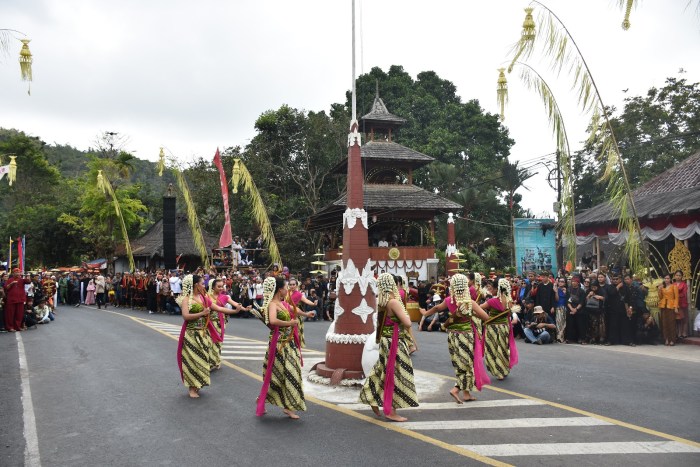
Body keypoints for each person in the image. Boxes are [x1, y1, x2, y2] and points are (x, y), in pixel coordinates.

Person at [421, 274, 490, 403]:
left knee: (460, 363)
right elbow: (486, 317)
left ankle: (467, 394)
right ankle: (456, 389)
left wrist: (425, 314)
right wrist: (472, 312)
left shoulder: (449, 300)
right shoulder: (470, 303)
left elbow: (436, 308)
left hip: (453, 335)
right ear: (465, 287)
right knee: (468, 364)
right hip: (466, 335)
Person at [359, 273, 419, 422]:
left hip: (385, 340)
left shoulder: (381, 301)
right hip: (394, 341)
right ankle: (391, 410)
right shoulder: (393, 302)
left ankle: (371, 396)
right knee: (396, 373)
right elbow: (408, 323)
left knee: (383, 369)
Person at [257, 276, 305, 419]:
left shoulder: (283, 303)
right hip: (279, 345)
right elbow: (273, 320)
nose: (287, 290)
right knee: (283, 375)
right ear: (279, 290)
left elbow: (294, 309)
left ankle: (282, 404)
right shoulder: (272, 304)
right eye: (285, 287)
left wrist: (306, 314)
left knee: (290, 374)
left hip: (289, 344)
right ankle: (285, 406)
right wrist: (290, 323)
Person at [177, 274, 222, 398]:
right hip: (191, 335)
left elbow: (217, 308)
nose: (204, 286)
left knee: (202, 359)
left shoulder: (203, 297)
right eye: (202, 283)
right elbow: (185, 316)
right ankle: (192, 388)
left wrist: (236, 310)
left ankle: (197, 385)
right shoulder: (187, 299)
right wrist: (202, 313)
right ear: (196, 284)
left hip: (203, 334)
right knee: (192, 361)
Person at [481, 278, 519, 381]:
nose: (491, 291)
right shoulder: (509, 301)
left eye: (492, 288)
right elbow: (510, 313)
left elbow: (479, 309)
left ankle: (499, 371)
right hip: (504, 327)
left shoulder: (492, 301)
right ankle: (504, 369)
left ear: (496, 289)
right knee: (503, 348)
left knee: (493, 349)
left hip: (493, 328)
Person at [207, 278, 248, 371]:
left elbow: (236, 304)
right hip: (208, 322)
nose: (221, 288)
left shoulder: (225, 297)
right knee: (208, 341)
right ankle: (209, 360)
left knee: (217, 342)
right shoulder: (207, 296)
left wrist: (244, 309)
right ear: (213, 287)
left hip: (219, 322)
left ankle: (215, 362)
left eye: (222, 286)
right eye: (219, 286)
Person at [285, 278, 317, 347]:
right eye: (290, 285)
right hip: (286, 314)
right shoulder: (286, 292)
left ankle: (296, 346)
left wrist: (313, 304)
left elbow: (306, 300)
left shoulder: (299, 294)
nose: (292, 286)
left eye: (293, 284)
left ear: (296, 285)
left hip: (295, 315)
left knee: (296, 332)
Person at [657, 273, 679, 346]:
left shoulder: (674, 286)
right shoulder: (662, 287)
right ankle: (666, 339)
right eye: (665, 278)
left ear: (670, 279)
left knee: (671, 323)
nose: (666, 280)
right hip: (663, 306)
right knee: (664, 323)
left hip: (671, 306)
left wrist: (676, 307)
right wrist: (659, 290)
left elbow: (676, 298)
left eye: (668, 278)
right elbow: (660, 297)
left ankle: (672, 339)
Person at [565, 276, 588, 344]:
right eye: (572, 281)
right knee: (570, 325)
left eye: (575, 281)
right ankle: (570, 339)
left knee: (580, 325)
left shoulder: (582, 291)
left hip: (579, 310)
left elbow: (582, 302)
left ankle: (582, 339)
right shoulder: (568, 290)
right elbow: (567, 301)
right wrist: (571, 308)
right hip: (570, 309)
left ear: (578, 283)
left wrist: (576, 309)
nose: (573, 283)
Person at [674, 270, 689, 339]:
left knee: (684, 318)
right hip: (675, 304)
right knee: (677, 319)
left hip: (682, 303)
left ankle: (684, 333)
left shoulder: (684, 284)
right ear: (674, 276)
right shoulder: (672, 284)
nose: (678, 277)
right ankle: (678, 333)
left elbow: (684, 293)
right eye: (677, 275)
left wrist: (676, 295)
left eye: (679, 275)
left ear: (682, 276)